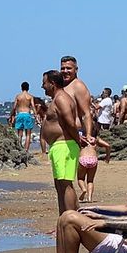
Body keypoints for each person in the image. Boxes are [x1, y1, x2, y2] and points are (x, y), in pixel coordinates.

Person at [42, 70, 84, 215]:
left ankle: (72, 220)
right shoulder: (57, 98)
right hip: (58, 146)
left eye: (44, 83)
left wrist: (77, 141)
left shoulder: (61, 99)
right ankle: (63, 220)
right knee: (59, 185)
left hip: (64, 145)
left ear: (52, 84)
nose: (43, 86)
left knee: (66, 185)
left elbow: (70, 123)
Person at [77, 134, 110, 202]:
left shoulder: (80, 137)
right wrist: (107, 157)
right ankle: (89, 198)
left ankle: (83, 189)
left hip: (83, 158)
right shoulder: (95, 138)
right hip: (93, 159)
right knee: (90, 180)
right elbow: (108, 145)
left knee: (80, 178)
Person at [11, 81, 37, 151]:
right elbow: (33, 106)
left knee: (20, 134)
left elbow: (14, 107)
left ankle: (19, 149)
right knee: (28, 134)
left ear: (21, 88)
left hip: (19, 114)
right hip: (27, 114)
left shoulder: (18, 96)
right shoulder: (30, 96)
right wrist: (36, 116)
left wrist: (12, 115)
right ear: (28, 88)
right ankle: (26, 150)